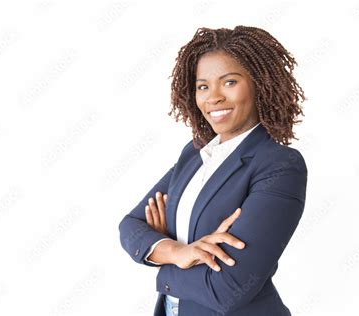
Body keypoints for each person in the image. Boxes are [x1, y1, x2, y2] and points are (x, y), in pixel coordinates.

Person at [119, 25, 307, 316]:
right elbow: (130, 226)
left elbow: (228, 289)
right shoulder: (195, 153)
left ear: (260, 82)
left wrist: (161, 260)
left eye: (229, 82)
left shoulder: (279, 165)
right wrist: (180, 252)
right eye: (202, 86)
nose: (213, 97)